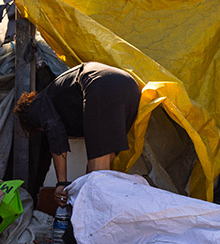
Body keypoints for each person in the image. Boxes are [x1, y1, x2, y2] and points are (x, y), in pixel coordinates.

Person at [13, 62, 141, 206]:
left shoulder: (36, 107)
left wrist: (62, 183)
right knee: (97, 173)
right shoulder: (65, 101)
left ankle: (94, 223)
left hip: (99, 83)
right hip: (130, 87)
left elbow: (55, 130)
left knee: (98, 175)